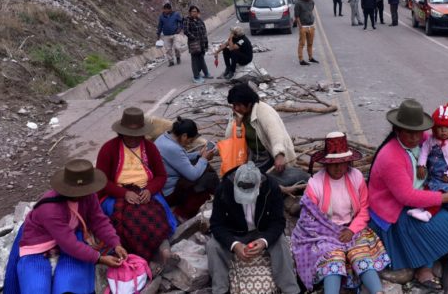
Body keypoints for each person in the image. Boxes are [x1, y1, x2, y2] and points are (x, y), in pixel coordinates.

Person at [367, 99, 448, 290]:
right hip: (395, 210)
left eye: (418, 131)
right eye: (409, 132)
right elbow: (406, 197)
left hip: (421, 197)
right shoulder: (390, 156)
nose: (415, 136)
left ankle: (441, 249)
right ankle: (423, 267)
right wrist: (444, 198)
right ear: (397, 129)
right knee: (437, 224)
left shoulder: (424, 139)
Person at [3, 159, 128, 294]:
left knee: (69, 287)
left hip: (69, 236)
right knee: (36, 288)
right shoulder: (50, 209)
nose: (85, 194)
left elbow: (98, 220)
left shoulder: (88, 196)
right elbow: (69, 245)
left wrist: (116, 244)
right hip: (38, 245)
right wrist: (99, 259)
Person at [292, 132, 390, 294]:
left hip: (353, 229)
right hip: (323, 235)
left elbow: (364, 209)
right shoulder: (315, 184)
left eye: (342, 163)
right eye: (333, 164)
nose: (338, 168)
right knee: (334, 260)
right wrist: (333, 234)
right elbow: (309, 221)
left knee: (360, 255)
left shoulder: (356, 177)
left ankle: (378, 292)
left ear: (348, 162)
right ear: (325, 164)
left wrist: (352, 230)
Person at [96, 107, 178, 265]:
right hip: (117, 193)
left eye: (137, 135)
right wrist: (123, 193)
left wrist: (149, 190)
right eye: (129, 135)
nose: (133, 139)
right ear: (121, 132)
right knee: (129, 218)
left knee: (156, 213)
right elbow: (101, 180)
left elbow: (161, 176)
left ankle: (163, 249)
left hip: (146, 191)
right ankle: (134, 254)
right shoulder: (108, 149)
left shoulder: (150, 148)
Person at [207, 162, 301, 294]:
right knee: (213, 246)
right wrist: (234, 245)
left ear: (260, 185)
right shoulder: (224, 189)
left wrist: (264, 241)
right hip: (235, 233)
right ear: (234, 183)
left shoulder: (270, 187)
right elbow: (216, 225)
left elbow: (278, 221)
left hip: (262, 231)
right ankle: (220, 290)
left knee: (281, 242)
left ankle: (291, 290)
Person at [406, 100, 448, 268]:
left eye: (446, 128)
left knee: (440, 193)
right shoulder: (431, 140)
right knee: (427, 188)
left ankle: (429, 213)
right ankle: (422, 207)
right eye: (439, 128)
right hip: (434, 174)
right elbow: (424, 152)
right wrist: (421, 165)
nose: (442, 131)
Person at [225, 83, 309, 187]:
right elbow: (228, 139)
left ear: (249, 103)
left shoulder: (264, 112)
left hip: (270, 156)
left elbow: (276, 135)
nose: (236, 108)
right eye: (234, 105)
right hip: (254, 157)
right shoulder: (236, 113)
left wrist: (279, 155)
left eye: (238, 105)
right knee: (231, 179)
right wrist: (237, 124)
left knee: (263, 183)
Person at [155, 117, 219, 220]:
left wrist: (199, 154)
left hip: (161, 186)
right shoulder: (173, 148)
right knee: (206, 181)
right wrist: (204, 159)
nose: (190, 143)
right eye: (191, 140)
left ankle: (218, 193)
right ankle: (181, 214)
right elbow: (193, 175)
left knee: (202, 166)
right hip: (167, 193)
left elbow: (181, 158)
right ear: (184, 136)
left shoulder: (164, 138)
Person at [183, 5, 211, 83]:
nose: (195, 13)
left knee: (201, 57)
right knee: (195, 59)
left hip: (202, 43)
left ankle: (206, 73)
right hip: (194, 43)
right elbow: (186, 31)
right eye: (193, 11)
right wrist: (194, 38)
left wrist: (206, 43)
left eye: (196, 11)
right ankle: (196, 76)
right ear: (190, 12)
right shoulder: (187, 20)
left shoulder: (199, 20)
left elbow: (204, 32)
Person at [294, 0, 319, 66]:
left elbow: (310, 11)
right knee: (302, 43)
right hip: (303, 27)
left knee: (310, 43)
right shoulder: (298, 3)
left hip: (311, 26)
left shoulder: (312, 2)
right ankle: (301, 59)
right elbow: (297, 16)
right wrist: (300, 26)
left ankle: (310, 57)